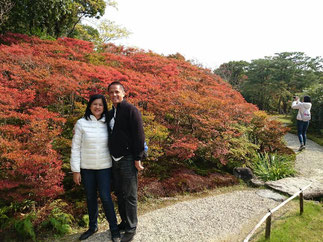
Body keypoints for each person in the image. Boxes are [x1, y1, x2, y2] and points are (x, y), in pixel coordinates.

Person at [70, 94, 121, 242]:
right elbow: (75, 148)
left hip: (105, 167)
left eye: (100, 104)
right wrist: (76, 170)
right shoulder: (81, 123)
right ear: (90, 106)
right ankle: (93, 227)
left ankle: (114, 228)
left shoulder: (108, 123)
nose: (97, 107)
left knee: (106, 197)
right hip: (87, 168)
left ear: (104, 107)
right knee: (90, 198)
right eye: (94, 104)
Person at [107, 81, 145, 242]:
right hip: (114, 159)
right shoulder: (110, 113)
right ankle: (124, 221)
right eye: (111, 92)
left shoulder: (131, 110)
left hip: (128, 159)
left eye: (117, 92)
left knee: (130, 194)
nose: (114, 95)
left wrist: (138, 158)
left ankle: (131, 227)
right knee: (119, 193)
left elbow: (139, 135)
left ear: (124, 93)